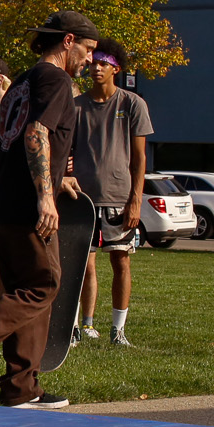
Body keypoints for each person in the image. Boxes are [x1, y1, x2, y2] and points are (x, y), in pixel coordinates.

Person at [0, 11, 101, 410]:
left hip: (2, 204)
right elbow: (36, 133)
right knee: (44, 284)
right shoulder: (56, 80)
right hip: (28, 205)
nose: (90, 61)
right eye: (88, 49)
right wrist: (46, 194)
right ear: (67, 41)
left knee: (24, 292)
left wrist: (56, 176)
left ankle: (20, 388)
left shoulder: (21, 83)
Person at [72, 37, 152, 347]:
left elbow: (140, 159)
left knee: (121, 262)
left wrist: (136, 200)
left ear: (115, 68)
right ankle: (77, 326)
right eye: (93, 63)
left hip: (119, 199)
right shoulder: (76, 106)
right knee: (82, 264)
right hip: (82, 200)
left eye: (103, 64)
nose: (96, 68)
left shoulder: (132, 104)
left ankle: (118, 331)